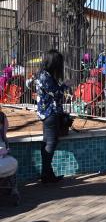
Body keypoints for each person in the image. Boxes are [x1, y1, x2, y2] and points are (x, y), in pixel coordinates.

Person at [35, 50, 69, 183]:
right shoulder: (45, 76)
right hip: (50, 113)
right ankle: (46, 174)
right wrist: (65, 85)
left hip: (46, 113)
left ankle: (47, 174)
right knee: (51, 142)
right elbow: (56, 93)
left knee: (47, 142)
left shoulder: (44, 75)